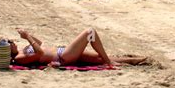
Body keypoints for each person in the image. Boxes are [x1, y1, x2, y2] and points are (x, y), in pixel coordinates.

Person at [8, 27, 146, 67]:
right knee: (89, 32)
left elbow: (40, 44)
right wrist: (27, 38)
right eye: (8, 43)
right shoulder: (19, 58)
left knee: (99, 58)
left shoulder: (21, 51)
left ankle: (132, 61)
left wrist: (28, 35)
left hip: (64, 52)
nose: (11, 41)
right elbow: (39, 53)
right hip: (63, 57)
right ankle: (110, 62)